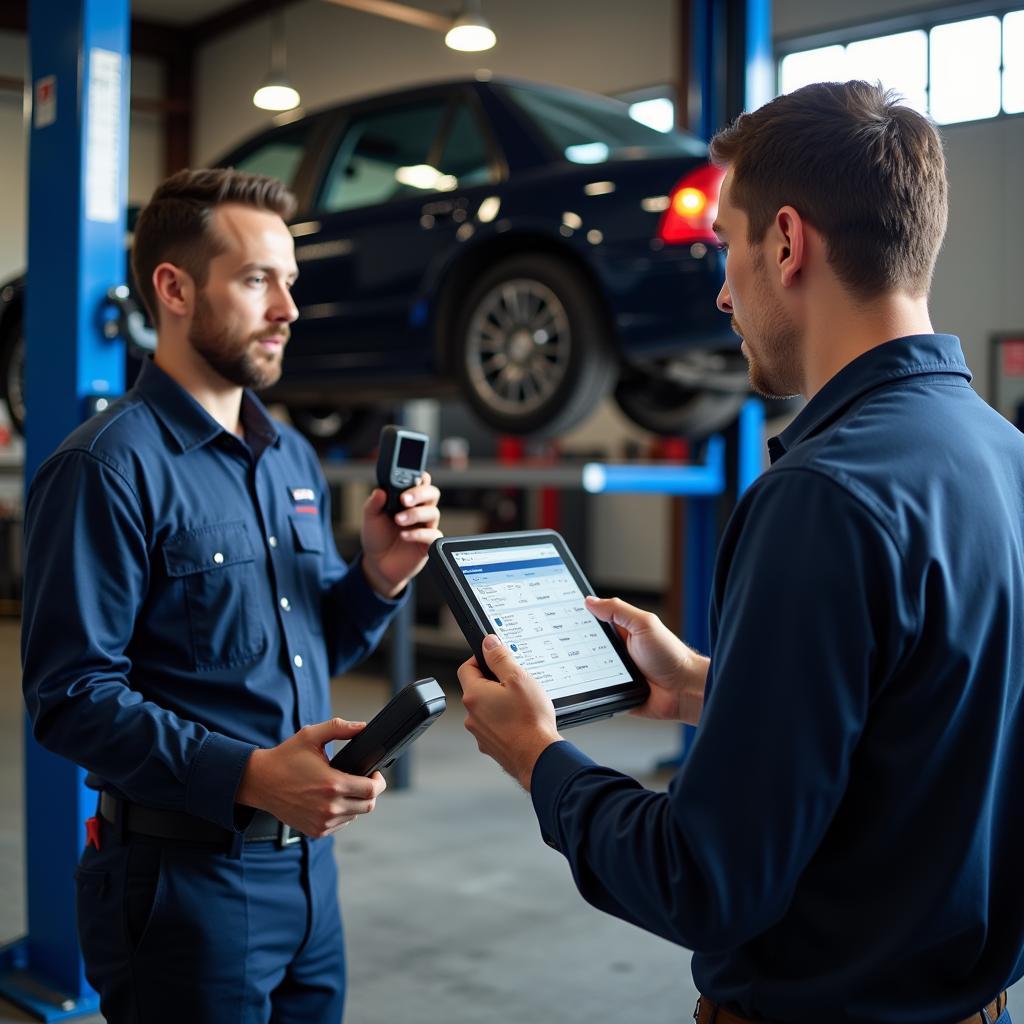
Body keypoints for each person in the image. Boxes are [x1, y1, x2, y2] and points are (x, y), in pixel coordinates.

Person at [459, 80, 1024, 1024]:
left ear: (789, 243)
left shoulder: (822, 497)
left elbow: (706, 881)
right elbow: (931, 724)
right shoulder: (1004, 458)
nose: (722, 289)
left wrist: (540, 759)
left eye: (727, 244)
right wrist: (699, 685)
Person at [21, 167, 442, 1023]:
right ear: (173, 289)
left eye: (290, 282)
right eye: (257, 281)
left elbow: (310, 640)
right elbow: (69, 698)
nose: (287, 309)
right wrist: (248, 775)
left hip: (308, 877)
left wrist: (379, 576)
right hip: (183, 886)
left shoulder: (287, 456)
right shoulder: (105, 468)